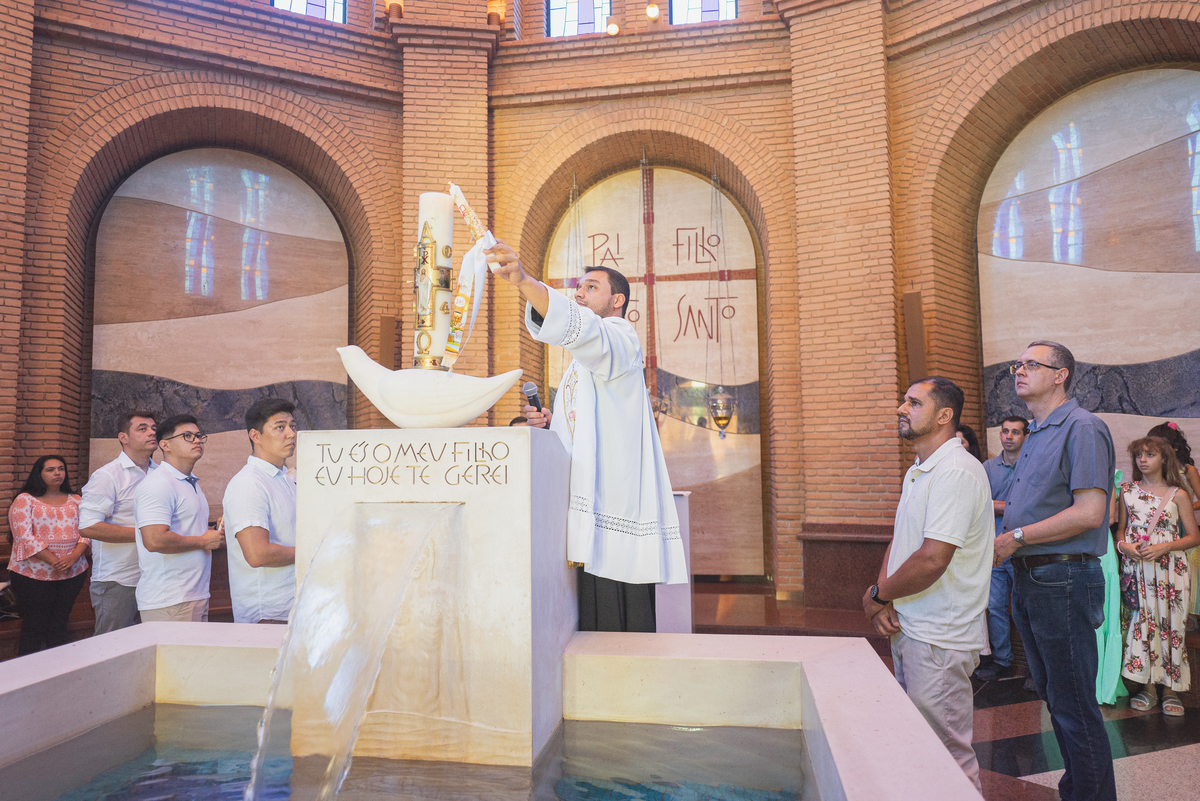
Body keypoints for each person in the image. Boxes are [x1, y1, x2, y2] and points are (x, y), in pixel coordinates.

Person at [486, 240, 687, 632]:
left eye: (591, 287)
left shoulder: (621, 336)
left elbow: (586, 332)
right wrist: (551, 424)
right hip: (587, 509)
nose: (578, 293)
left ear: (618, 301)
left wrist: (525, 281)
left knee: (624, 627)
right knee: (591, 626)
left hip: (615, 504)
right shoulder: (581, 363)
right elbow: (585, 430)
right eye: (577, 287)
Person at [993, 341, 1117, 801]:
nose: (1019, 371)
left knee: (1074, 705)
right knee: (1055, 697)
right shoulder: (1037, 431)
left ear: (1061, 374)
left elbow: (1090, 512)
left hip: (1062, 578)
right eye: (1017, 365)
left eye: (1031, 364)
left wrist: (1016, 538)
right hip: (1033, 579)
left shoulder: (1082, 427)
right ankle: (1079, 790)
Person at [862, 377, 992, 791]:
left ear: (943, 416)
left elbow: (933, 558)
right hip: (913, 626)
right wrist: (885, 602)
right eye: (904, 401)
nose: (901, 408)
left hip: (941, 635)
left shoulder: (955, 471)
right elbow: (903, 542)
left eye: (913, 402)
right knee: (919, 747)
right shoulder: (920, 469)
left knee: (947, 755)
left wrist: (879, 595)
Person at [1116, 436, 1200, 716]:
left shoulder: (1179, 494)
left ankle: (1172, 689)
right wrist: (1124, 546)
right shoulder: (1126, 491)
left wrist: (1165, 546)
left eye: (1150, 454)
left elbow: (1194, 536)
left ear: (1164, 458)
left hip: (1170, 570)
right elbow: (1121, 530)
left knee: (1172, 626)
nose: (1143, 459)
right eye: (1138, 455)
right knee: (1143, 623)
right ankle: (1148, 687)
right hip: (1137, 567)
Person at [133, 414, 224, 622]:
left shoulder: (190, 483)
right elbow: (154, 540)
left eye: (199, 436)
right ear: (165, 445)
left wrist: (214, 533)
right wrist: (202, 541)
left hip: (194, 592)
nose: (197, 440)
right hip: (170, 598)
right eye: (187, 436)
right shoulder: (158, 484)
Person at [79, 410, 158, 634]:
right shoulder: (107, 476)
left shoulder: (160, 474)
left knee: (149, 645)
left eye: (153, 428)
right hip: (118, 579)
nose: (151, 432)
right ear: (123, 437)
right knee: (111, 648)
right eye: (142, 429)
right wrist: (148, 535)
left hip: (154, 577)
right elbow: (88, 526)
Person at [223, 399, 298, 624]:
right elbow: (257, 553)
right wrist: (314, 551)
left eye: (293, 426)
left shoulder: (283, 478)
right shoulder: (249, 483)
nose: (291, 434)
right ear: (255, 436)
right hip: (268, 612)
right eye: (279, 427)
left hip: (293, 606)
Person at [6, 456, 90, 655]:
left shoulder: (76, 500)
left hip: (73, 572)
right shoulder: (25, 500)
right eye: (50, 469)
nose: (57, 473)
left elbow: (87, 531)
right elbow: (24, 537)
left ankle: (57, 674)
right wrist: (55, 561)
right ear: (39, 473)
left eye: (61, 469)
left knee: (59, 625)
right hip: (33, 575)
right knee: (34, 626)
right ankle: (28, 677)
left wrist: (73, 557)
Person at [974, 415, 1028, 682]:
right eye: (1005, 431)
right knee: (995, 607)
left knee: (1025, 608)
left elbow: (1030, 507)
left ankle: (1033, 667)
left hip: (1022, 549)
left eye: (1015, 432)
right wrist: (1007, 505)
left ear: (1025, 437)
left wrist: (997, 504)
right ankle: (1002, 660)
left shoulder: (1031, 466)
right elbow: (980, 503)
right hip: (993, 548)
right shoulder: (987, 467)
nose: (1008, 436)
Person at [1145, 422, 1200, 629]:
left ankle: (1184, 616)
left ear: (1173, 447)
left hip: (1184, 528)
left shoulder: (1188, 470)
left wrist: (1184, 508)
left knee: (1187, 570)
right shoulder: (1153, 471)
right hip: (1160, 528)